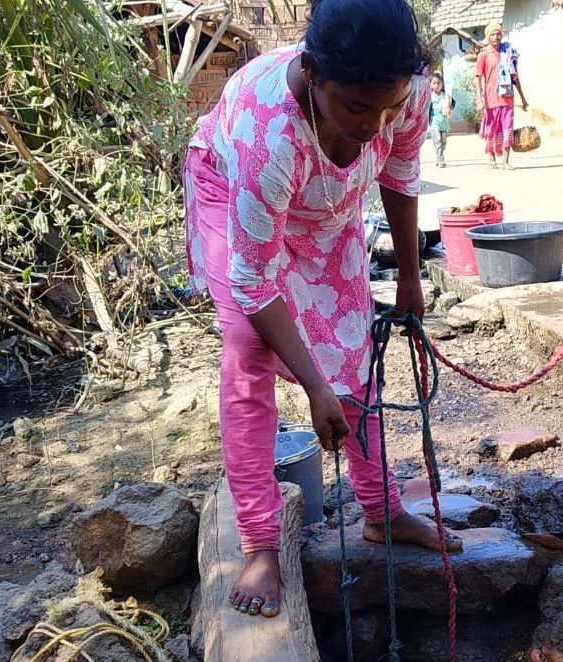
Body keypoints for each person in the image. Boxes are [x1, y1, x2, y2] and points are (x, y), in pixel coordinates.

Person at [183, 0, 464, 620]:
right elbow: (253, 280)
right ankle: (259, 543)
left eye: (386, 107)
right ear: (312, 73)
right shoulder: (270, 134)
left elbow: (399, 168)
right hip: (233, 193)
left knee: (351, 345)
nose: (373, 125)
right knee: (249, 353)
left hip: (325, 209)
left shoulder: (403, 90)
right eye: (356, 109)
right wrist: (313, 387)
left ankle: (381, 511)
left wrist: (412, 276)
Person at [475, 22, 529, 170]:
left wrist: (523, 99)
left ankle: (505, 161)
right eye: (493, 34)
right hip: (490, 100)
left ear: (502, 35)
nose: (496, 37)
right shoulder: (483, 55)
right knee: (492, 130)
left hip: (507, 99)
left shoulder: (508, 53)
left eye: (498, 34)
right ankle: (491, 157)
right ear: (488, 36)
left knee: (507, 130)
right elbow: (478, 78)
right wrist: (479, 99)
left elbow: (515, 78)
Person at [428, 72, 454, 167]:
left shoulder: (446, 95)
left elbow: (452, 104)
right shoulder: (429, 97)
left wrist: (450, 108)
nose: (437, 85)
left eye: (439, 83)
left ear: (442, 84)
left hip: (444, 122)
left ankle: (439, 156)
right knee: (437, 141)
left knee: (443, 142)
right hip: (434, 122)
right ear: (430, 84)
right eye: (434, 83)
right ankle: (441, 159)